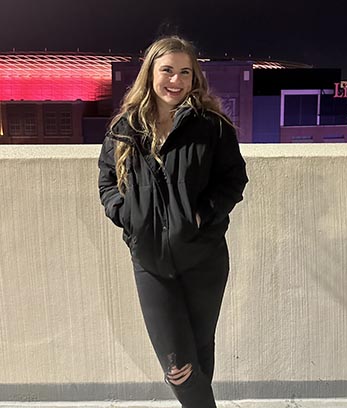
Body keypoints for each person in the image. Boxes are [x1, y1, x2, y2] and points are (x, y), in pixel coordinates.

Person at [98, 36, 248, 408]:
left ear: (194, 77)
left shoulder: (212, 127)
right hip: (150, 263)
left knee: (199, 352)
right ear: (150, 73)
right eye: (167, 70)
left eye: (185, 72)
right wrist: (128, 216)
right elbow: (106, 181)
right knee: (178, 365)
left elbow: (234, 179)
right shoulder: (125, 127)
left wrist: (202, 215)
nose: (176, 81)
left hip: (204, 261)